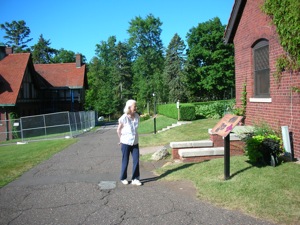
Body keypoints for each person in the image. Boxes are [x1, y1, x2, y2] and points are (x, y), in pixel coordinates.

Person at [117, 99, 142, 186]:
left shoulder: (137, 116)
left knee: (136, 160)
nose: (136, 107)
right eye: (134, 106)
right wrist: (120, 140)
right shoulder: (123, 118)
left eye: (136, 106)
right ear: (129, 107)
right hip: (125, 142)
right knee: (125, 160)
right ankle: (123, 178)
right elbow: (118, 130)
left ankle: (135, 178)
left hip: (135, 142)